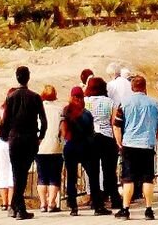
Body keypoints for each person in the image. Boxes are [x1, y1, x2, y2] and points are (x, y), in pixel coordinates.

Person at [0, 66, 48, 221]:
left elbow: (5, 121)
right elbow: (43, 120)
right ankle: (19, 208)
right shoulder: (35, 97)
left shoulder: (11, 97)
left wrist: (4, 136)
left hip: (15, 139)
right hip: (30, 139)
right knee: (23, 173)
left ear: (16, 77)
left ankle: (15, 207)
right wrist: (41, 136)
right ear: (28, 77)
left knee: (16, 172)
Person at [113, 75, 158, 221]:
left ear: (132, 87)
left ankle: (125, 209)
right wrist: (156, 139)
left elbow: (117, 126)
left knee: (128, 179)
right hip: (147, 144)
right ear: (145, 87)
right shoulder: (155, 103)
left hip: (130, 144)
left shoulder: (125, 103)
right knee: (147, 178)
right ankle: (148, 209)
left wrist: (120, 143)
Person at [62, 86, 103, 215]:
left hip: (70, 147)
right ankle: (97, 206)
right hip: (87, 147)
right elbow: (91, 131)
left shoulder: (66, 111)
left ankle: (73, 206)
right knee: (93, 176)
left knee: (71, 177)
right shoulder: (86, 114)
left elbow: (63, 131)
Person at [85, 76, 121, 210]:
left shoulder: (85, 102)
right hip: (107, 137)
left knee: (92, 171)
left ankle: (96, 201)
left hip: (90, 137)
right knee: (109, 171)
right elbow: (114, 123)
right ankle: (114, 198)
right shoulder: (110, 102)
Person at [36, 85, 64, 213]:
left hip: (40, 146)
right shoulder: (59, 110)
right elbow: (62, 129)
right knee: (54, 176)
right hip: (55, 147)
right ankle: (52, 203)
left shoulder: (37, 109)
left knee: (42, 176)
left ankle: (43, 203)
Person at [0, 89, 15, 212]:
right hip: (12, 140)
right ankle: (11, 202)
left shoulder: (2, 108)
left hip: (1, 140)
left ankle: (4, 202)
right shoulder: (16, 110)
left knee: (2, 171)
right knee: (12, 172)